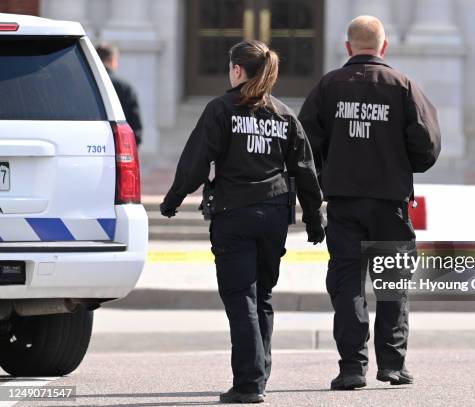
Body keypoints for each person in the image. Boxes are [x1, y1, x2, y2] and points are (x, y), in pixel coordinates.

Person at [160, 40, 324, 403]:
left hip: (234, 214)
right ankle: (259, 376)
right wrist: (314, 219)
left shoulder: (221, 109)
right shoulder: (284, 115)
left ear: (236, 70)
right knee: (261, 296)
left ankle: (249, 383)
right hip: (275, 214)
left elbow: (196, 161)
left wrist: (173, 200)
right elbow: (306, 171)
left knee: (240, 298)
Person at [298, 15, 441, 390]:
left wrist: (324, 175)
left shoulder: (328, 86)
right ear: (384, 47)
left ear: (348, 47)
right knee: (393, 285)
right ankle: (392, 365)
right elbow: (427, 147)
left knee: (347, 286)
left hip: (344, 204)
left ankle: (352, 368)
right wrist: (399, 162)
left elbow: (303, 147)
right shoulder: (403, 86)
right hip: (390, 204)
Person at [95, 43, 143, 146]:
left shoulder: (85, 84)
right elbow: (135, 126)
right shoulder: (125, 87)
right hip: (120, 147)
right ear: (113, 60)